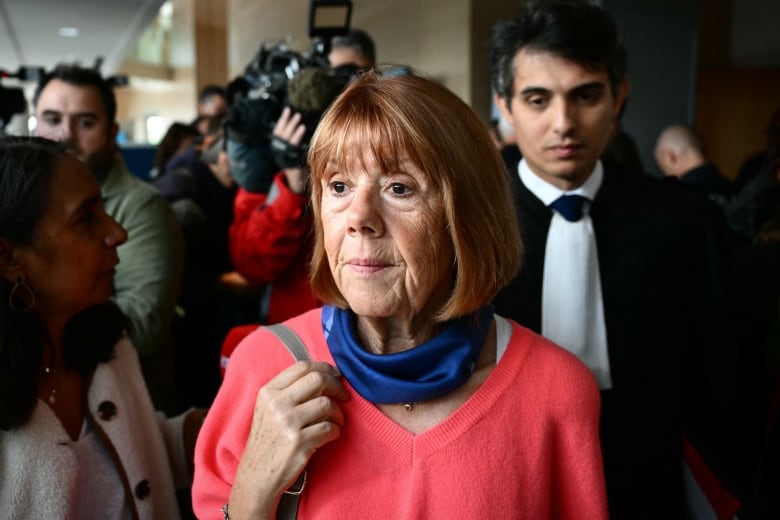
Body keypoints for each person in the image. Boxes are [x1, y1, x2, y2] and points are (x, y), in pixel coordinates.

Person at [192, 71, 608, 519]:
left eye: (399, 187)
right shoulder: (264, 367)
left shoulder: (556, 390)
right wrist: (253, 490)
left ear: (466, 218)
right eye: (339, 186)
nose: (359, 217)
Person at [489, 2, 741, 517]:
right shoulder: (467, 223)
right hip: (505, 473)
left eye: (586, 96)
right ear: (506, 106)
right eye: (538, 99)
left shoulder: (684, 221)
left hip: (649, 479)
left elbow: (722, 377)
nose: (564, 123)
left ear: (619, 95)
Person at [0, 136, 205, 518]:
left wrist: (217, 424)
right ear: (10, 257)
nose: (118, 233)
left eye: (105, 209)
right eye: (86, 218)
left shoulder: (106, 343)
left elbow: (132, 448)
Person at [33, 63, 184, 414]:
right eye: (51, 118)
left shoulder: (140, 205)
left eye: (85, 122)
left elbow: (144, 326)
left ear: (112, 130)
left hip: (126, 409)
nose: (64, 134)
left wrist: (31, 330)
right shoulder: (23, 203)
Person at [654, 123, 733, 206]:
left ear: (671, 157)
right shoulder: (734, 188)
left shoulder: (678, 199)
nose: (667, 175)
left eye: (664, 169)